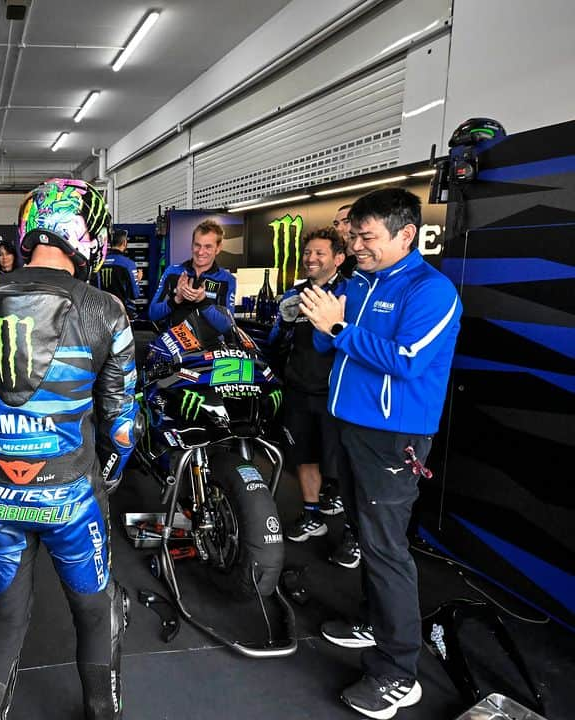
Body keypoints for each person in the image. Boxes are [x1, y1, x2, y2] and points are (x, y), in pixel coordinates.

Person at [0, 178, 135, 719]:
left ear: (29, 230)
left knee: (3, 618)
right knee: (96, 613)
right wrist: (102, 479)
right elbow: (121, 428)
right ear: (90, 236)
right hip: (72, 494)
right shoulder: (107, 310)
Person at [300, 188, 462, 719]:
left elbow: (408, 359)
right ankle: (373, 619)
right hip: (351, 426)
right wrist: (323, 326)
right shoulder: (363, 283)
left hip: (395, 437)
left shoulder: (431, 291)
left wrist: (339, 328)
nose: (357, 245)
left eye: (367, 237)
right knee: (367, 537)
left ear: (405, 235)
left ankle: (399, 670)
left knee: (387, 547)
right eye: (354, 235)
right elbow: (333, 348)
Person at [267, 227, 360, 566]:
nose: (311, 258)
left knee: (343, 468)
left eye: (319, 253)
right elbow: (278, 338)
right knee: (303, 457)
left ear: (338, 257)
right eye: (308, 253)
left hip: (336, 395)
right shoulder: (294, 294)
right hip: (298, 390)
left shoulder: (351, 294)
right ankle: (312, 516)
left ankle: (353, 534)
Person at [148, 218, 236, 333]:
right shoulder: (173, 272)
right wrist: (177, 299)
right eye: (197, 245)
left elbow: (227, 327)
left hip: (209, 348)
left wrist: (203, 301)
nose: (200, 252)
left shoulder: (227, 280)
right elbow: (153, 314)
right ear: (191, 245)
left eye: (208, 247)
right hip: (175, 346)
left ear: (218, 248)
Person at [94, 229, 141, 320]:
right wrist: (137, 279)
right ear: (124, 243)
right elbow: (135, 294)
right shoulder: (128, 264)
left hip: (103, 312)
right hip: (123, 313)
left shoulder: (100, 262)